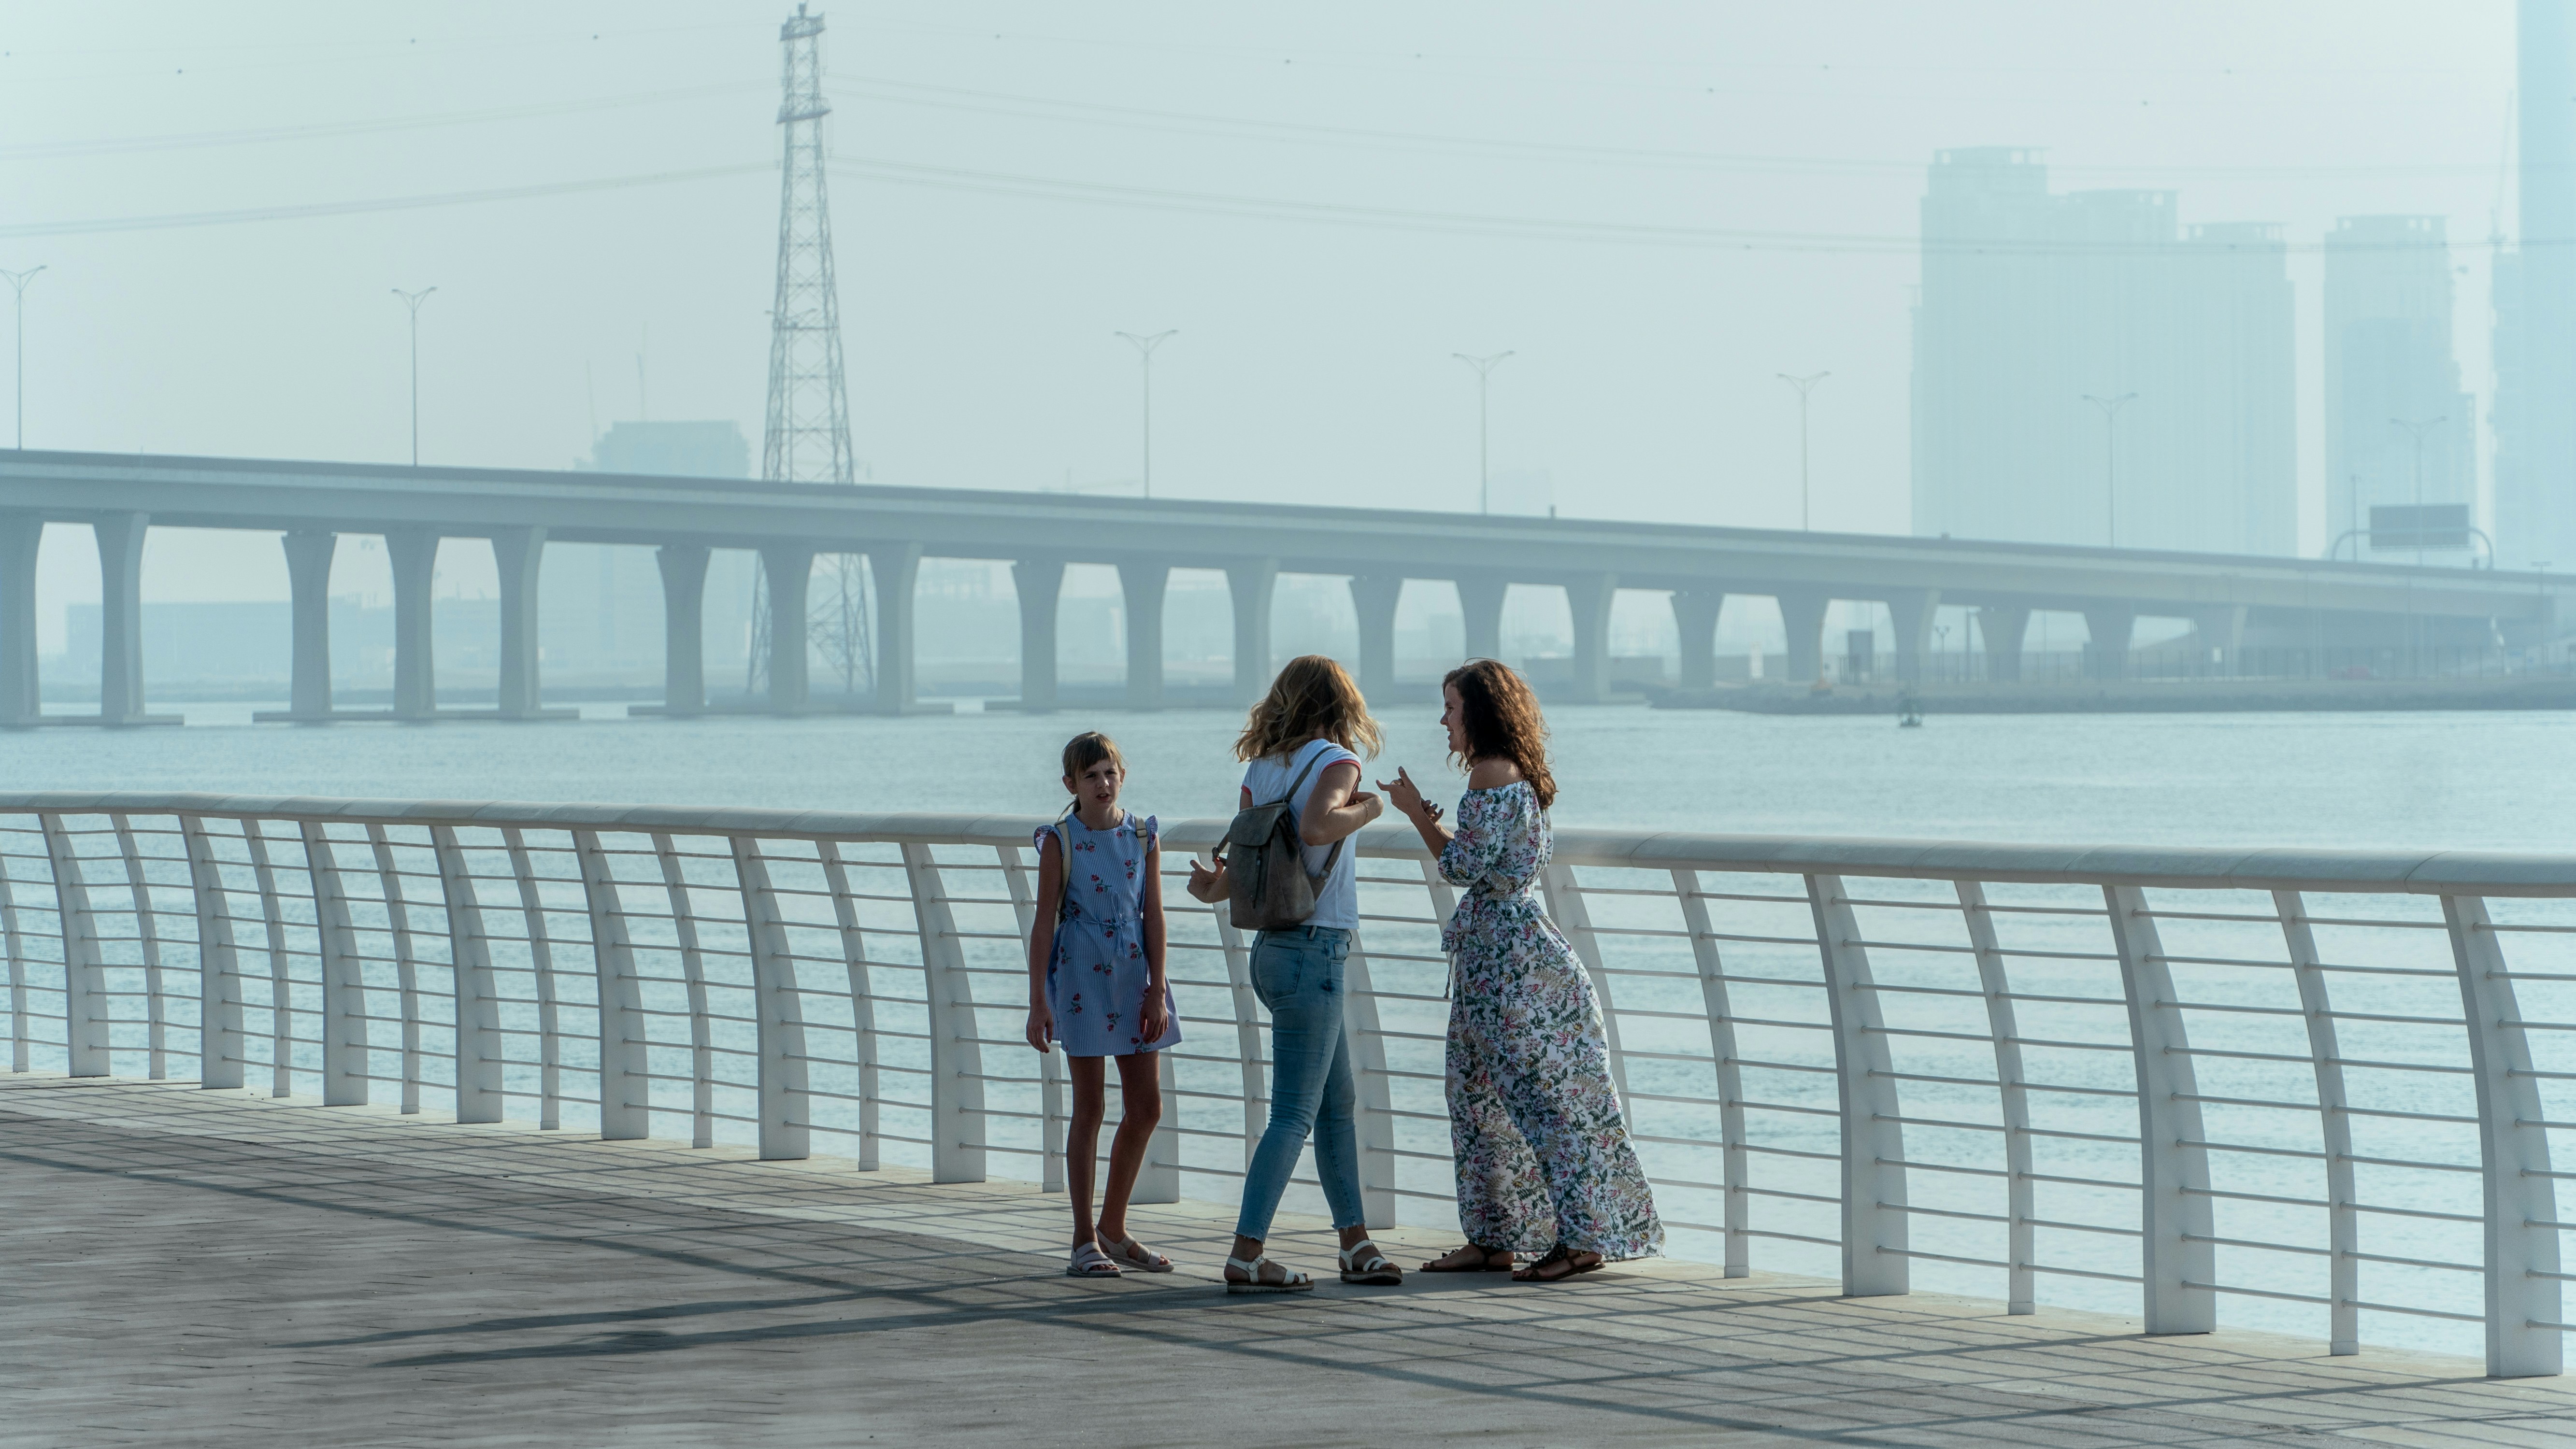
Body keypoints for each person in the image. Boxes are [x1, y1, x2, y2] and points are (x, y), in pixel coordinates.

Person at [1383, 659, 1664, 1283]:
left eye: (1451, 708)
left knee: (1531, 1102)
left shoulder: (1489, 774)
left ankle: (1578, 1239)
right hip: (1507, 956)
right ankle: (1494, 1237)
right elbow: (1487, 860)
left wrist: (1415, 815)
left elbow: (1461, 867)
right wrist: (1439, 824)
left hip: (1508, 967)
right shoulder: (1515, 776)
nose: (1443, 720)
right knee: (1480, 1094)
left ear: (1478, 713)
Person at [1186, 655, 1405, 1293]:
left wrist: (1213, 889)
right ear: (1341, 704)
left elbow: (1262, 860)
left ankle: (1356, 1243)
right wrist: (1368, 812)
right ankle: (1247, 1253)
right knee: (1293, 1116)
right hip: (1315, 953)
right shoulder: (1338, 761)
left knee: (1337, 1105)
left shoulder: (1264, 768)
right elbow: (1315, 827)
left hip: (1274, 954)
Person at [1025, 731, 1180, 1279]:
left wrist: (1157, 987)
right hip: (1080, 978)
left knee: (1146, 1107)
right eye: (1090, 776)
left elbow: (1154, 915)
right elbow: (1044, 922)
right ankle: (1082, 1237)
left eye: (1110, 772)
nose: (1103, 783)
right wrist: (1037, 1002)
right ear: (1071, 784)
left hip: (1135, 976)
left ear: (1123, 775)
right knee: (1089, 1106)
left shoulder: (1143, 835)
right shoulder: (1059, 841)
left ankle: (1114, 1228)